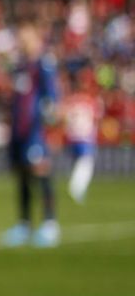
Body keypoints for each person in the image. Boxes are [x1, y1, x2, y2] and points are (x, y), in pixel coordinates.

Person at [3, 21, 60, 248]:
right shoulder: (19, 67)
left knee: (41, 171)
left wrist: (51, 127)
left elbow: (51, 98)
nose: (21, 42)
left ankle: (50, 224)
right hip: (19, 129)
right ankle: (24, 224)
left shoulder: (43, 65)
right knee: (22, 175)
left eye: (25, 38)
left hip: (35, 129)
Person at [62, 65, 100, 205]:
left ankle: (76, 188)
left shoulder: (70, 100)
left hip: (72, 136)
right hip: (85, 136)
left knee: (79, 162)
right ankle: (76, 188)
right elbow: (96, 118)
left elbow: (63, 116)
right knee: (86, 163)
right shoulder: (89, 100)